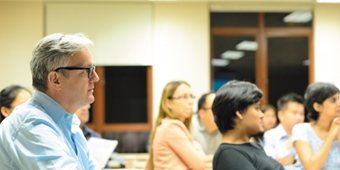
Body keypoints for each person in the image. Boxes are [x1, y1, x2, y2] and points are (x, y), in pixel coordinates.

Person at [0, 33, 100, 169]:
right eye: (87, 70)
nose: (96, 78)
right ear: (55, 79)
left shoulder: (68, 122)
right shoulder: (31, 125)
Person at [212, 80, 283, 170]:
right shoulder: (228, 154)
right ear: (239, 113)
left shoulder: (254, 146)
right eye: (257, 108)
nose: (262, 115)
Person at [146, 80, 211, 170]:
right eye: (184, 97)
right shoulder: (171, 129)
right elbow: (200, 165)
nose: (191, 102)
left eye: (191, 96)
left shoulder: (169, 126)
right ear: (169, 103)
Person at [292, 82, 340, 169]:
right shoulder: (302, 129)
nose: (339, 104)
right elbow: (312, 167)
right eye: (333, 100)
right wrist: (331, 134)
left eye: (339, 99)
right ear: (317, 107)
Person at [263, 93, 305, 169]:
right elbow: (269, 164)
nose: (299, 117)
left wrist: (293, 160)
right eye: (294, 113)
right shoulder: (270, 136)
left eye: (301, 114)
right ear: (281, 115)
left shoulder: (305, 135)